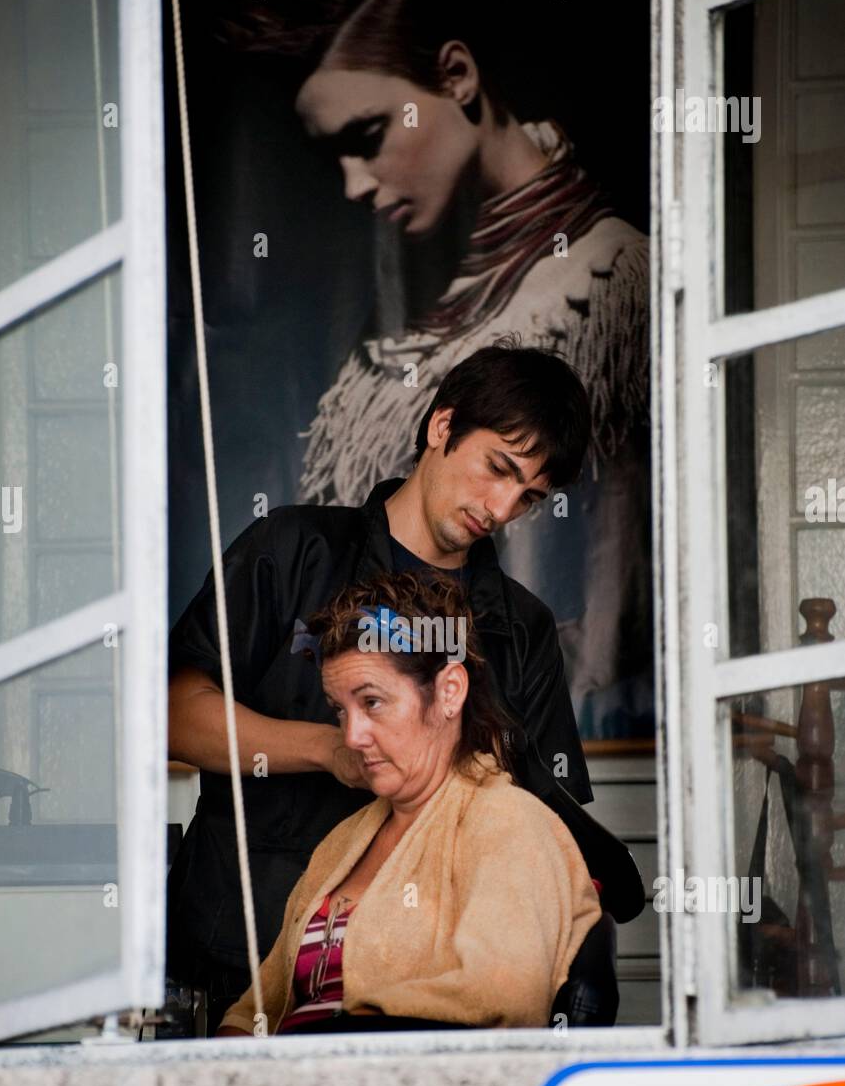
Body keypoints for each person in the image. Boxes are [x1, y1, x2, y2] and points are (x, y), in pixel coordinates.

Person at [167, 342, 644, 1035]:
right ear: (442, 427)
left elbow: (539, 820)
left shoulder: (521, 629)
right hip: (240, 961)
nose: (503, 506)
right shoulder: (292, 551)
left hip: (418, 999)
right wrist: (328, 750)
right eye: (498, 469)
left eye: (530, 497)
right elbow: (169, 718)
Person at [218, 0, 652, 738]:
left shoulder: (601, 283)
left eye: (370, 134)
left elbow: (610, 582)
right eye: (336, 154)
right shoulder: (413, 321)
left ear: (456, 76)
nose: (356, 183)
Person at [215, 571, 603, 1036]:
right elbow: (255, 1008)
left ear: (449, 691)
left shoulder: (510, 824)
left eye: (372, 702)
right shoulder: (342, 843)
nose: (352, 736)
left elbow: (503, 994)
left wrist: (332, 1038)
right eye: (339, 709)